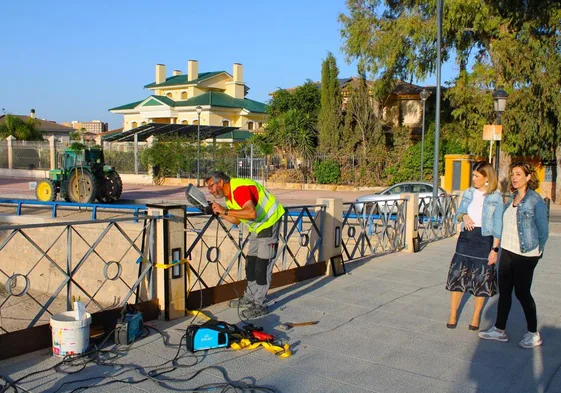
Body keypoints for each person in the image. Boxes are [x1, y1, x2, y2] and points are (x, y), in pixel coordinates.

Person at [479, 161, 549, 348]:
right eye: (513, 174)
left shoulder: (535, 200)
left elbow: (543, 231)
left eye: (519, 174)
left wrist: (537, 251)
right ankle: (499, 329)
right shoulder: (511, 199)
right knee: (505, 292)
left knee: (522, 292)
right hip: (508, 251)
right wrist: (496, 248)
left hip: (526, 254)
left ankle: (533, 333)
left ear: (528, 177)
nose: (514, 177)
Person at [205, 171, 285, 319]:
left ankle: (260, 304)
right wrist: (219, 213)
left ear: (221, 182)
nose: (209, 191)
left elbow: (251, 213)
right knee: (251, 263)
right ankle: (249, 298)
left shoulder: (239, 189)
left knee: (262, 265)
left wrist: (225, 210)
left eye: (211, 186)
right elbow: (236, 220)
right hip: (256, 227)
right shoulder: (230, 197)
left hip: (269, 222)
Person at [445, 161, 503, 330]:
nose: (473, 179)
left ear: (487, 178)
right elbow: (458, 213)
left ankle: (476, 316)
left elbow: (498, 225)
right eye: (473, 175)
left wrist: (495, 249)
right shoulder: (469, 193)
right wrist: (464, 217)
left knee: (481, 278)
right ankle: (453, 313)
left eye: (477, 176)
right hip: (465, 239)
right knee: (457, 275)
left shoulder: (496, 197)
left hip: (484, 240)